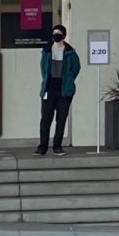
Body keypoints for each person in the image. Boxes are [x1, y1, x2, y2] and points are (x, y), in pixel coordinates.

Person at [37, 24, 81, 155]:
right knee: (46, 119)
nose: (56, 35)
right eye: (54, 33)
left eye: (59, 33)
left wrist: (68, 79)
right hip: (49, 88)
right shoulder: (46, 51)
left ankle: (57, 146)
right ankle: (42, 147)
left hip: (64, 89)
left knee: (61, 119)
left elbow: (76, 68)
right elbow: (43, 69)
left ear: (64, 35)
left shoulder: (70, 52)